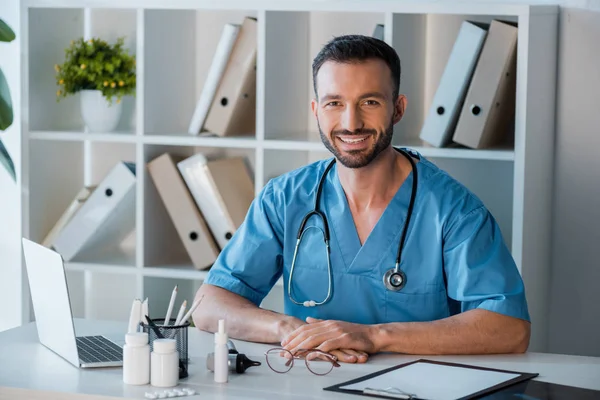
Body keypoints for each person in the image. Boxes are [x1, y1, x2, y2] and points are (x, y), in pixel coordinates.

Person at [192, 34, 531, 364]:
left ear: (398, 109)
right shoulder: (283, 198)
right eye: (334, 103)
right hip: (311, 378)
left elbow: (509, 328)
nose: (351, 123)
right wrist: (291, 330)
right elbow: (209, 305)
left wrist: (373, 336)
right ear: (316, 110)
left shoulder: (454, 210)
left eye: (369, 102)